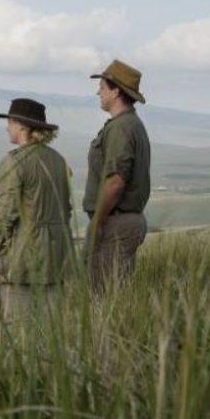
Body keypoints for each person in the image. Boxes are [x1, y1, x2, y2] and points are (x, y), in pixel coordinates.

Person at [0, 98, 75, 328]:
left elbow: (2, 220)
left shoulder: (14, 162)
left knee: (18, 338)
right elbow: (66, 211)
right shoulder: (59, 161)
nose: (8, 127)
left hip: (21, 265)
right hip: (56, 262)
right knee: (51, 337)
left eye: (11, 122)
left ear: (23, 127)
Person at [83, 59, 151, 291]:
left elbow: (116, 182)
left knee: (101, 297)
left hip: (114, 223)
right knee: (115, 296)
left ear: (116, 91)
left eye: (102, 87)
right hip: (121, 222)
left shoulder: (121, 127)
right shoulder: (130, 124)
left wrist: (98, 222)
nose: (98, 93)